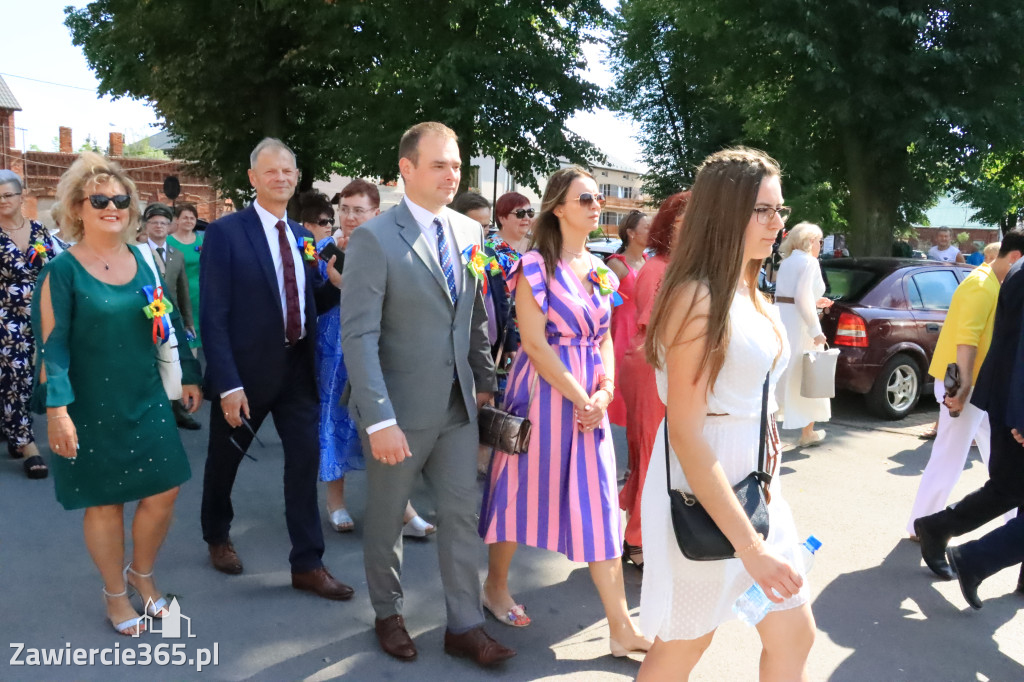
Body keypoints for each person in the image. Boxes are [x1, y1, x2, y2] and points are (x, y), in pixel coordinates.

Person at [340, 122, 513, 666]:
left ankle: (464, 624)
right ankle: (388, 614)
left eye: (456, 165)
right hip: (398, 411)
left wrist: (484, 385)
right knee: (388, 518)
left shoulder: (468, 231)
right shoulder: (374, 238)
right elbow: (359, 336)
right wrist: (378, 419)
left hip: (458, 408)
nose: (450, 174)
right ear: (406, 170)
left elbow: (475, 319)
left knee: (461, 517)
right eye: (438, 164)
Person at [637, 148, 814, 680]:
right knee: (685, 644)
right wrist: (751, 548)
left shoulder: (748, 291)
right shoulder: (697, 297)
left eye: (779, 210)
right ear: (725, 211)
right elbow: (688, 435)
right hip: (705, 489)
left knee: (793, 633)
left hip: (756, 486)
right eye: (763, 210)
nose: (777, 222)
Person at [479, 166, 650, 655]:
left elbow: (603, 338)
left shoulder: (597, 268)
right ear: (558, 208)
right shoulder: (534, 264)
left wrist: (607, 387)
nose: (597, 205)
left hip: (589, 399)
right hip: (543, 394)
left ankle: (620, 627)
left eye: (598, 199)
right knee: (516, 493)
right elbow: (532, 342)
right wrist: (583, 397)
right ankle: (495, 586)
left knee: (598, 505)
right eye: (586, 199)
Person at [31, 151, 203, 634]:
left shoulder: (141, 260)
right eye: (100, 199)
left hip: (145, 395)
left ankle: (142, 576)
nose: (112, 206)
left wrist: (188, 372)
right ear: (77, 208)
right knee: (104, 502)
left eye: (121, 199)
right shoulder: (61, 272)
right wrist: (57, 412)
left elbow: (163, 320)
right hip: (90, 403)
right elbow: (54, 348)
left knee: (164, 490)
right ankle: (114, 595)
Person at [198, 138, 353, 602]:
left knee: (304, 463)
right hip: (244, 377)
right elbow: (214, 315)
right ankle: (216, 534)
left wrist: (339, 288)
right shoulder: (227, 233)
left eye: (287, 171)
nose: (280, 178)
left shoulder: (303, 238)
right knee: (224, 461)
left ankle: (308, 562)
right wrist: (227, 384)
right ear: (252, 179)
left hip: (296, 371)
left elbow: (307, 303)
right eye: (270, 171)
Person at [915, 234, 1024, 605]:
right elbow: (967, 341)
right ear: (1014, 255)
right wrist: (958, 392)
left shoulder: (993, 279)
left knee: (1006, 483)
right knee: (952, 461)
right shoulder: (981, 283)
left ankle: (935, 526)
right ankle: (928, 524)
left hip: (986, 390)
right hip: (973, 388)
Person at [619, 192, 690, 571]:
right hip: (653, 367)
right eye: (686, 219)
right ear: (670, 225)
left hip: (666, 367)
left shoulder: (679, 266)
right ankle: (636, 540)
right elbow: (654, 329)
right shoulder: (658, 267)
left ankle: (642, 530)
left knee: (659, 454)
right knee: (652, 453)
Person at [0, 169, 64, 478]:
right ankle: (27, 444)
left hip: (42, 316)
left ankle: (13, 430)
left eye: (7, 194)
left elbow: (54, 271)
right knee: (18, 377)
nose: (2, 201)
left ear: (21, 196)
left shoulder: (39, 231)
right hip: (5, 321)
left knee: (41, 374)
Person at [143, 202, 200, 431]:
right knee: (150, 367)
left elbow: (183, 290)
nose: (159, 226)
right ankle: (152, 414)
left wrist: (188, 322)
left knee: (176, 365)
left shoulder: (176, 255)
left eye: (163, 223)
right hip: (145, 318)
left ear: (170, 226)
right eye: (154, 222)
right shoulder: (137, 252)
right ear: (146, 226)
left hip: (172, 319)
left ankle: (179, 411)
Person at [774, 222, 831, 447]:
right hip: (800, 324)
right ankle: (807, 432)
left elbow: (793, 296)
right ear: (809, 242)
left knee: (782, 374)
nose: (820, 245)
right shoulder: (809, 262)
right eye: (819, 241)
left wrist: (813, 301)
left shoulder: (787, 262)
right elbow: (801, 297)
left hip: (783, 319)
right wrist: (816, 330)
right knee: (810, 375)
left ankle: (780, 433)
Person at [606, 209, 651, 427]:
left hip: (644, 338)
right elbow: (606, 306)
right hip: (621, 337)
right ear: (631, 233)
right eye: (646, 227)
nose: (652, 232)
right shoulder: (616, 265)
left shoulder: (648, 261)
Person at [167, 203, 204, 356]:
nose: (189, 221)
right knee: (185, 335)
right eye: (185, 218)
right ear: (176, 220)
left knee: (200, 337)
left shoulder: (202, 240)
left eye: (192, 218)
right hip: (180, 295)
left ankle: (199, 375)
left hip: (201, 295)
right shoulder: (168, 241)